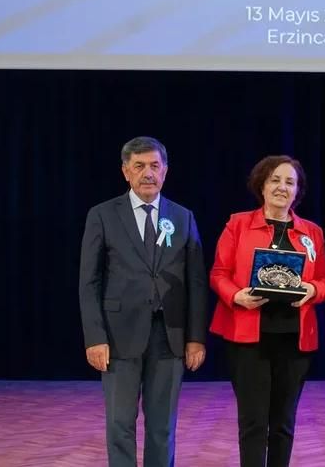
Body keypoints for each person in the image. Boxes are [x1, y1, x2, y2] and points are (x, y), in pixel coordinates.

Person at [79, 136, 208, 467]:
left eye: (154, 165)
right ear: (126, 172)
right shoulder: (102, 215)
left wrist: (195, 338)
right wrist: (95, 337)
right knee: (120, 424)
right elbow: (89, 282)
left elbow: (196, 283)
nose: (148, 173)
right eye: (139, 166)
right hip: (118, 337)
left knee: (162, 427)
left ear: (165, 171)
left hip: (170, 336)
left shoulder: (183, 217)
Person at [209, 155, 325, 467]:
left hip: (295, 340)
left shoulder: (312, 232)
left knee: (283, 423)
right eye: (275, 180)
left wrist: (313, 290)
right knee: (253, 422)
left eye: (290, 182)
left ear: (297, 191)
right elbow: (218, 273)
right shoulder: (238, 224)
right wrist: (236, 296)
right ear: (261, 186)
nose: (282, 187)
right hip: (248, 338)